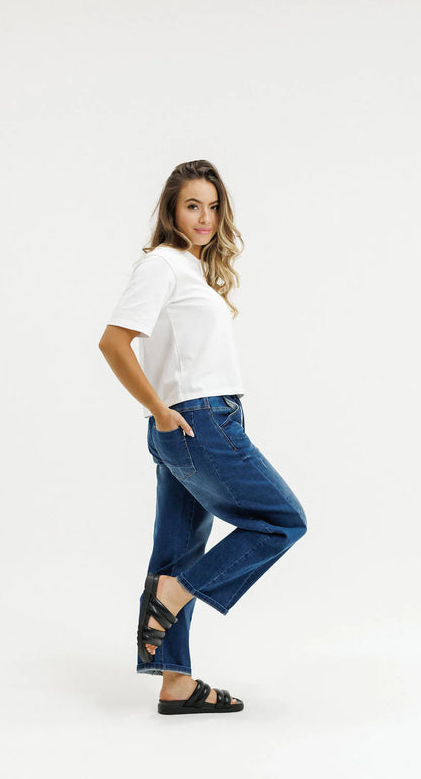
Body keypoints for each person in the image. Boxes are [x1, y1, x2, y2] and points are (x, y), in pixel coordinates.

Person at [98, 159, 307, 715]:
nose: (205, 217)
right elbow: (114, 342)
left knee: (176, 549)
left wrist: (168, 418)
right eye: (193, 205)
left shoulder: (191, 270)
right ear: (171, 210)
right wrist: (160, 410)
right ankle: (177, 592)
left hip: (194, 424)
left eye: (213, 207)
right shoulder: (163, 265)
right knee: (283, 521)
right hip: (198, 422)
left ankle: (176, 682)